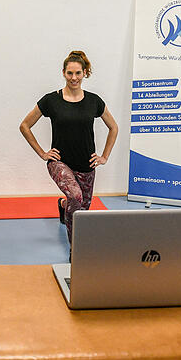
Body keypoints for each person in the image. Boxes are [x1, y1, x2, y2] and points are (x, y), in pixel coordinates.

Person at [20, 51, 118, 256]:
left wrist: (104, 156)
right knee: (75, 196)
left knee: (82, 207)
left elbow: (113, 127)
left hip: (86, 164)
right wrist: (42, 153)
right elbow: (25, 125)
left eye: (78, 73)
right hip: (60, 163)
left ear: (85, 74)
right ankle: (76, 248)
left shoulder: (94, 101)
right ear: (63, 73)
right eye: (70, 73)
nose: (74, 78)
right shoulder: (51, 100)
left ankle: (63, 205)